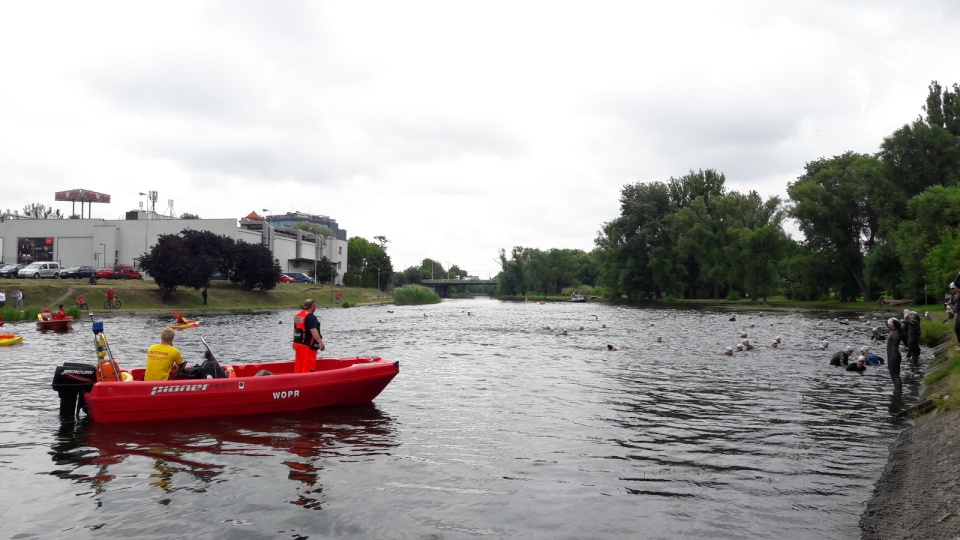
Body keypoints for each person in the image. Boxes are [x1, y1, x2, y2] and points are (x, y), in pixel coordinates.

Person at [293, 299, 325, 373]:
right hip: (307, 345)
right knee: (308, 364)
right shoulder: (310, 316)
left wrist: (294, 341)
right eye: (315, 306)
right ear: (313, 306)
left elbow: (295, 329)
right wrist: (320, 343)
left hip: (297, 344)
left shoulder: (298, 315)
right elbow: (313, 330)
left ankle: (298, 379)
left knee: (299, 364)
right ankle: (306, 380)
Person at [886, 317, 904, 394]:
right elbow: (886, 323)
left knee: (895, 375)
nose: (888, 326)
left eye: (890, 325)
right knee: (892, 375)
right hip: (890, 356)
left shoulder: (899, 331)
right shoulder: (893, 331)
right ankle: (896, 390)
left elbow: (900, 326)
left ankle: (898, 392)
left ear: (894, 325)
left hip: (894, 355)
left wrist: (896, 322)